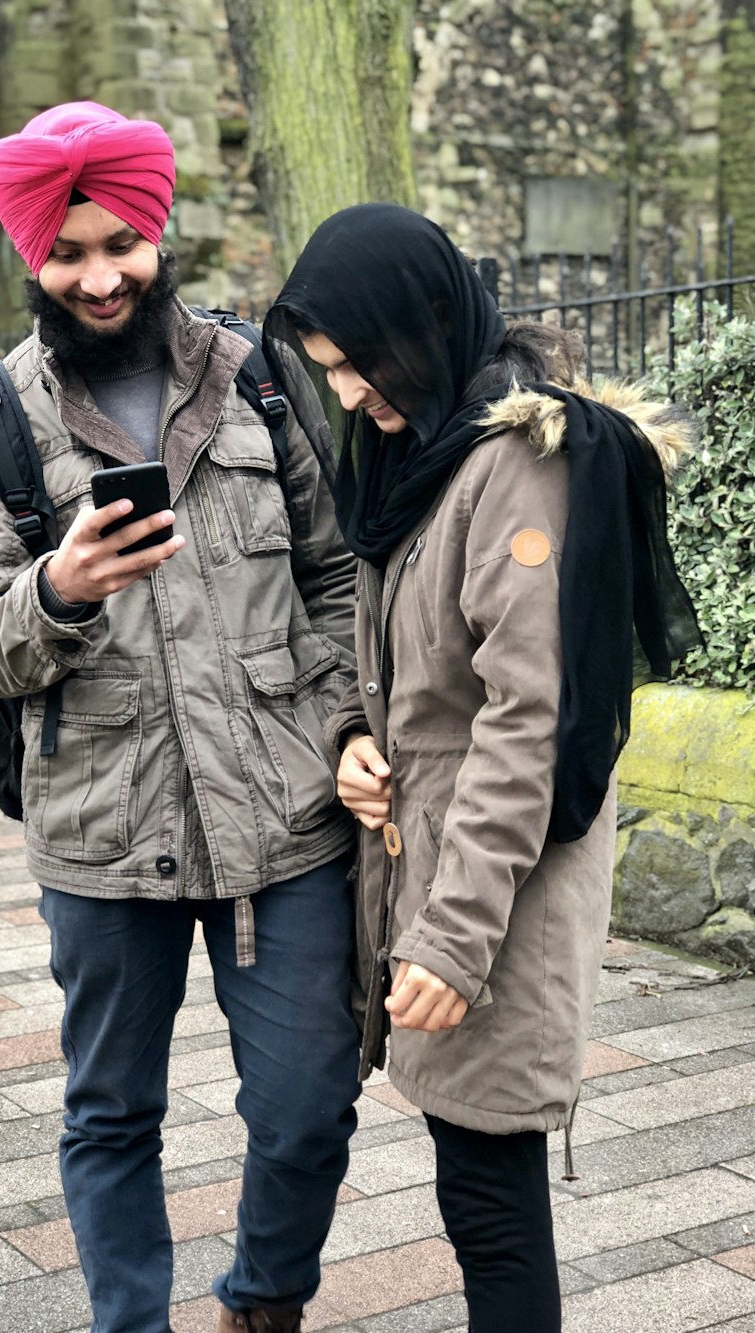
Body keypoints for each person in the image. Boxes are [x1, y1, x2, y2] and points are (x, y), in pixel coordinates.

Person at [0, 102, 362, 1333]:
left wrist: (343, 723)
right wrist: (61, 588)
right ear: (32, 259)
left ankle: (262, 1298)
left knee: (306, 1102)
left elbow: (334, 575)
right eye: (66, 253)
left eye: (117, 241)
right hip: (99, 829)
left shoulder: (260, 377)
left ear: (156, 227)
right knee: (111, 1110)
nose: (98, 272)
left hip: (283, 810)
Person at [262, 203, 702, 1332]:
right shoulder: (427, 452)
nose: (349, 394)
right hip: (438, 867)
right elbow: (405, 667)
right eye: (329, 374)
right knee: (476, 1190)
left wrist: (451, 942)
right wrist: (353, 742)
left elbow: (525, 721)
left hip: (495, 888)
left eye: (357, 363)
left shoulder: (516, 465)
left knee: (492, 1200)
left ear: (420, 323)